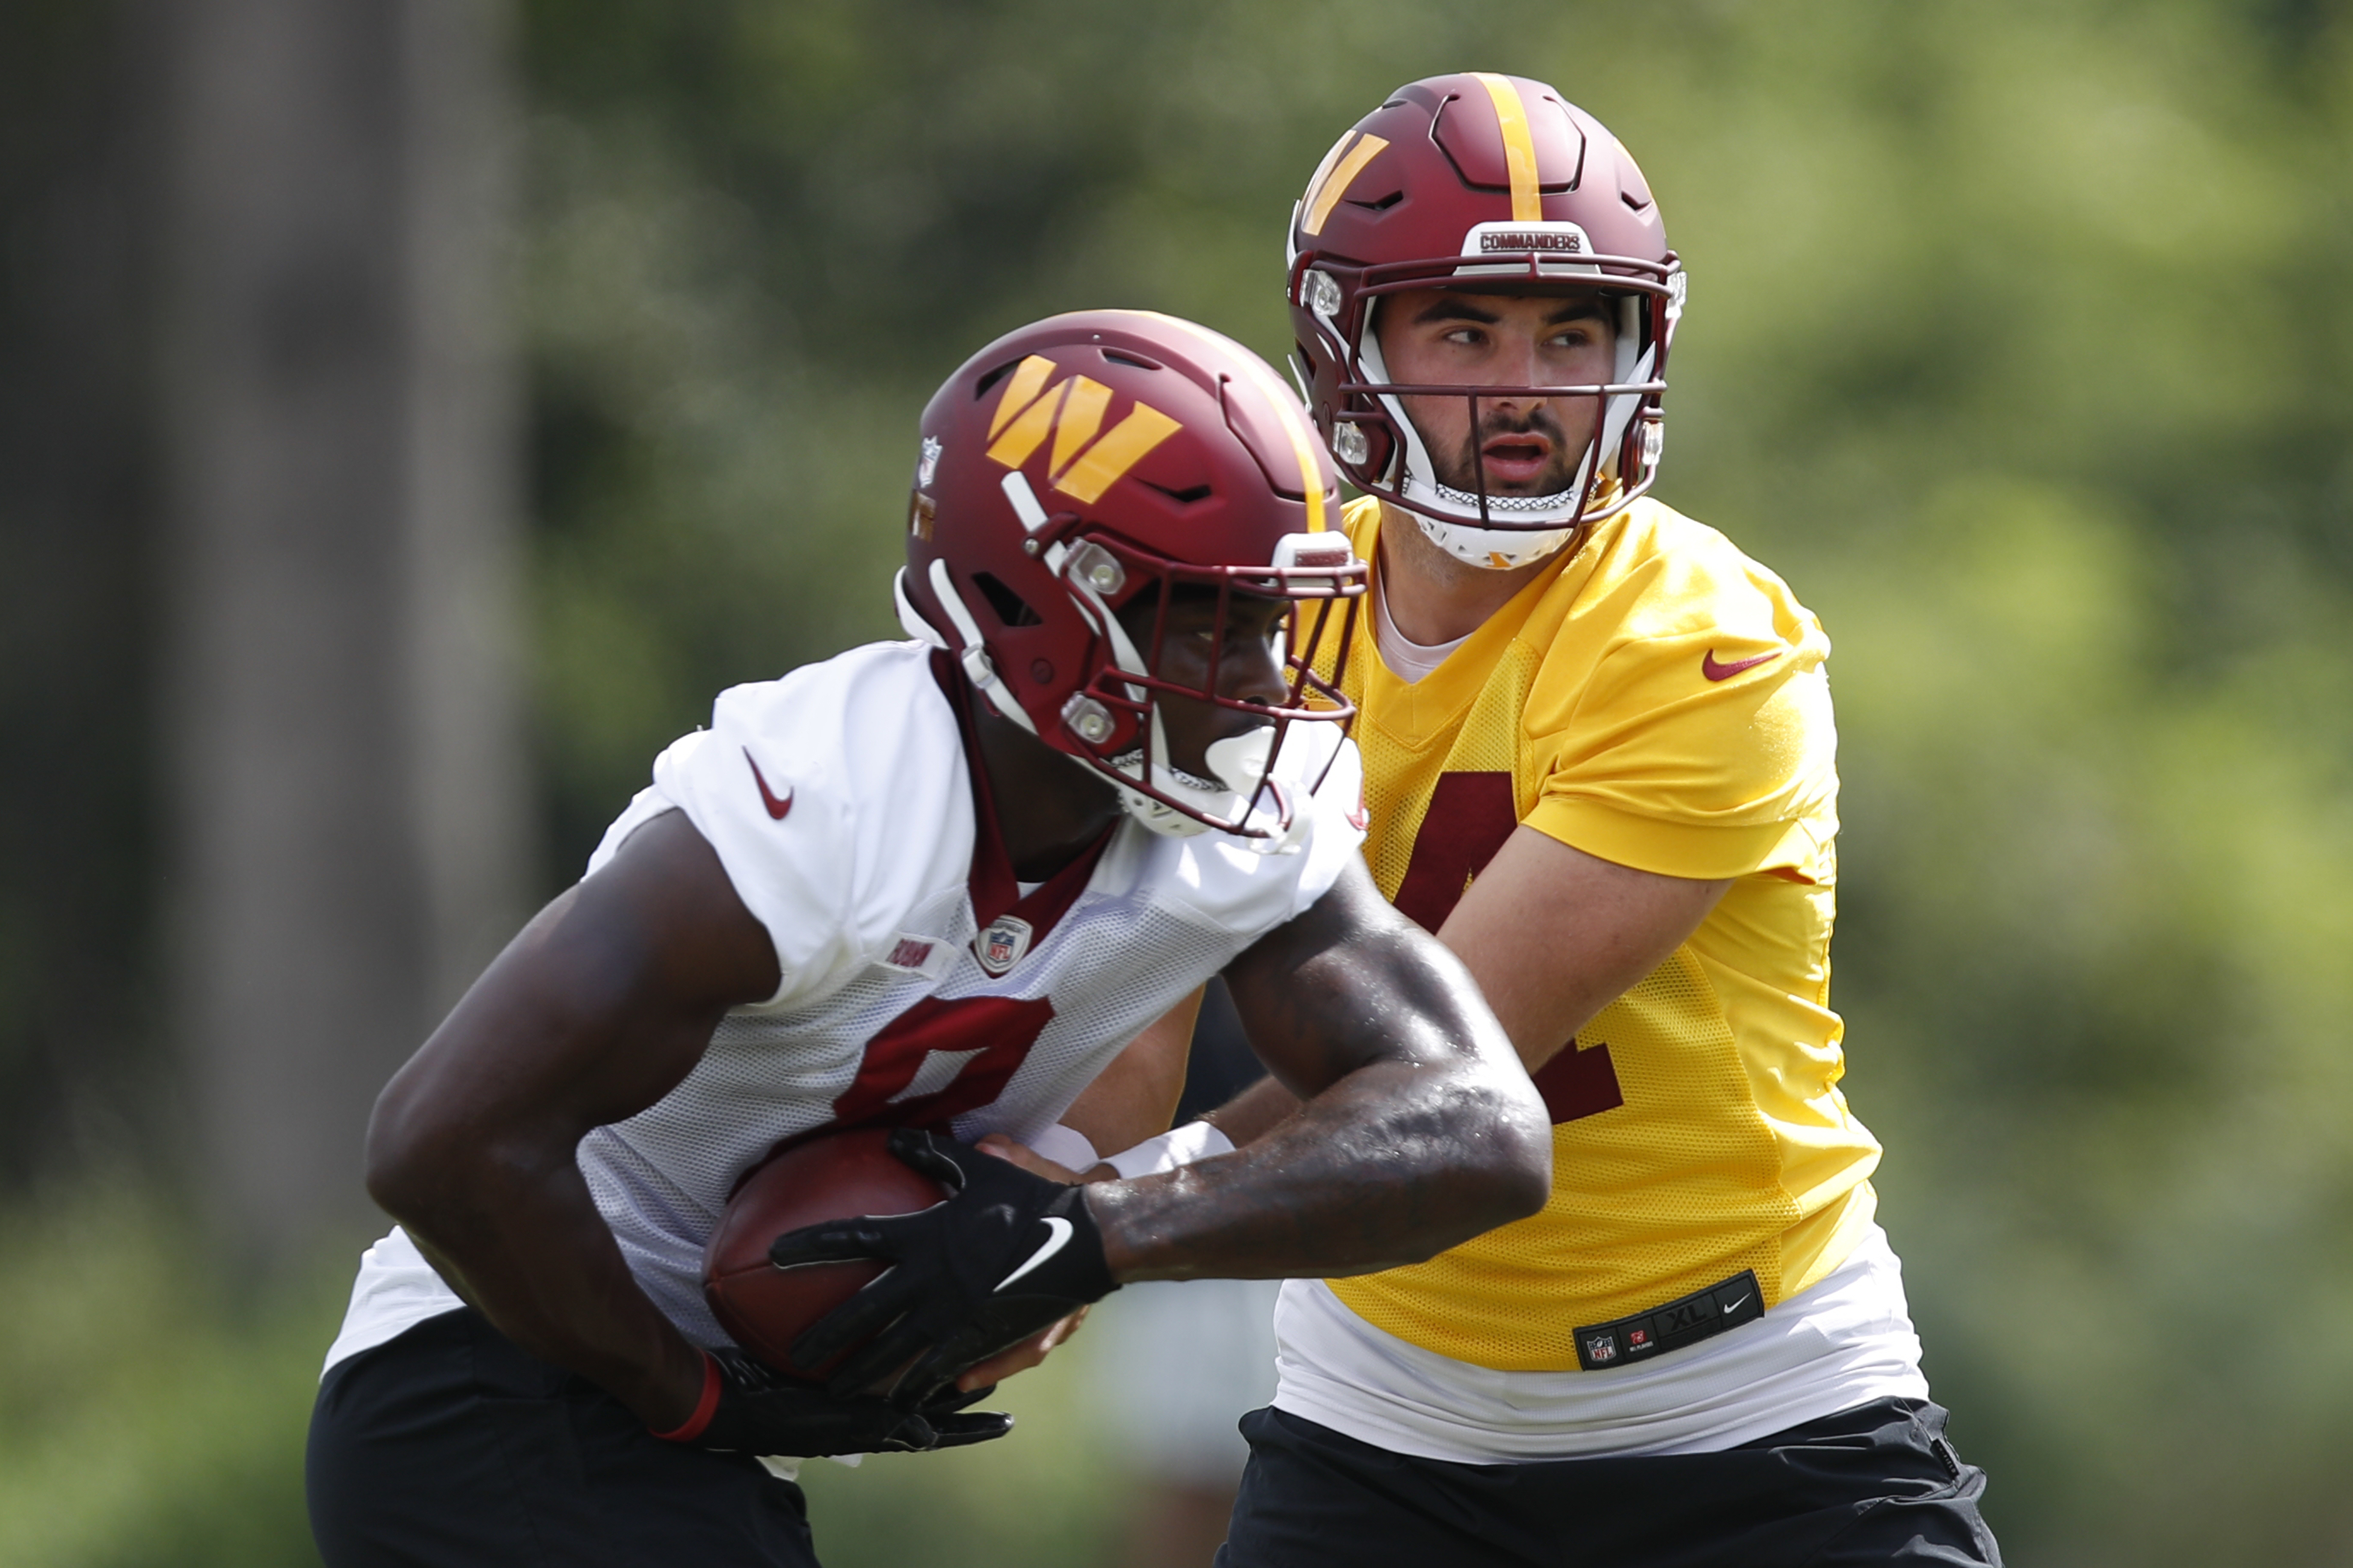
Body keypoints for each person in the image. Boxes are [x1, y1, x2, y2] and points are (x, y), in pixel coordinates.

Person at [302, 309, 1553, 1568]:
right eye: (1209, 616)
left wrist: (1096, 1232)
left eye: (1275, 619)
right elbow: (441, 1138)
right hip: (497, 1373)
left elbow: (1478, 1125)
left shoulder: (1236, 813)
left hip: (675, 1434)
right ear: (1040, 599)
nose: (1262, 673)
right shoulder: (820, 804)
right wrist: (684, 1389)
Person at [1046, 75, 2006, 1566]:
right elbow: (1137, 1011)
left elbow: (1430, 1064)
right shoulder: (1265, 613)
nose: (1524, 386)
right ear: (1347, 346)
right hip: (1385, 1424)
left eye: (1572, 333)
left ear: (1640, 347)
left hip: (1747, 1413)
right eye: (1463, 329)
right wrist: (1019, 1197)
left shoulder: (1701, 641)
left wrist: (1091, 1227)